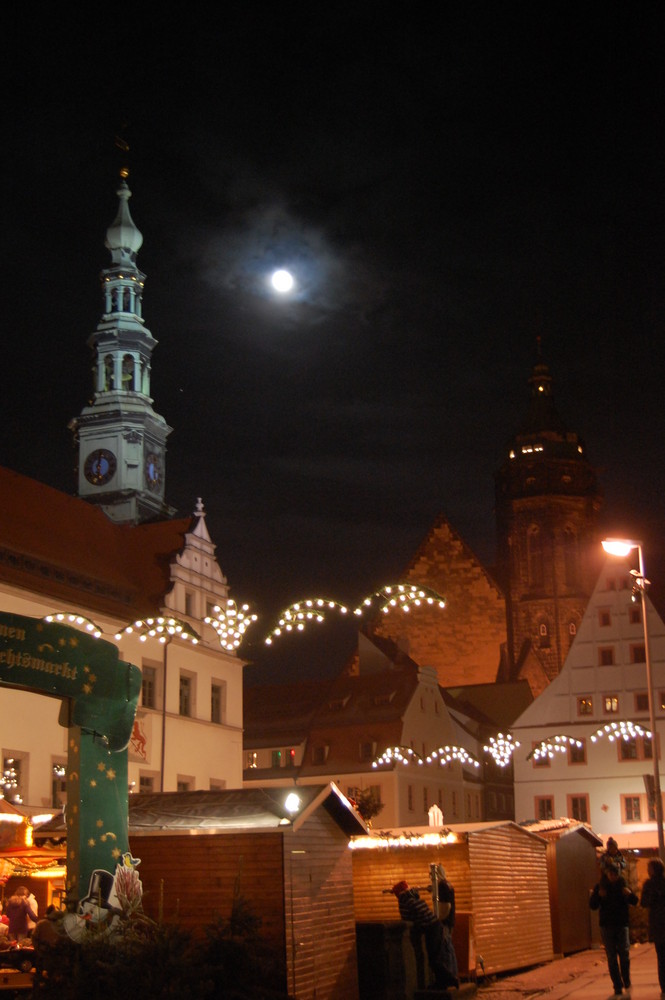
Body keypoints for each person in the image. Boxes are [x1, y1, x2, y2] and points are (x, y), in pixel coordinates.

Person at [392, 880, 458, 994]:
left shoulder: (405, 902)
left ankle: (449, 980)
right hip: (435, 927)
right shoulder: (414, 899)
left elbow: (407, 919)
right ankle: (443, 981)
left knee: (434, 958)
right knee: (435, 956)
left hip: (432, 929)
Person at [589, 861, 637, 998]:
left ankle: (626, 980)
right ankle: (617, 985)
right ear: (607, 874)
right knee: (611, 957)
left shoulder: (623, 885)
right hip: (607, 926)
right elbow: (592, 905)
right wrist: (599, 895)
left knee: (624, 955)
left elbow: (635, 901)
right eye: (611, 874)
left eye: (615, 874)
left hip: (622, 924)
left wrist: (629, 894)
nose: (613, 876)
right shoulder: (600, 887)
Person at [640, 856, 665, 999]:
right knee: (661, 956)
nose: (648, 871)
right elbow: (644, 902)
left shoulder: (651, 884)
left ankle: (664, 986)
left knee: (661, 958)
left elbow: (644, 903)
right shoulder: (649, 885)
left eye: (649, 868)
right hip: (658, 925)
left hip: (658, 925)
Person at [432, 864, 459, 989]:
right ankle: (454, 974)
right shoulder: (449, 885)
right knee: (450, 948)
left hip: (445, 922)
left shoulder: (442, 886)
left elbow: (445, 906)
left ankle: (450, 975)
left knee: (446, 949)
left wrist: (438, 918)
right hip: (450, 920)